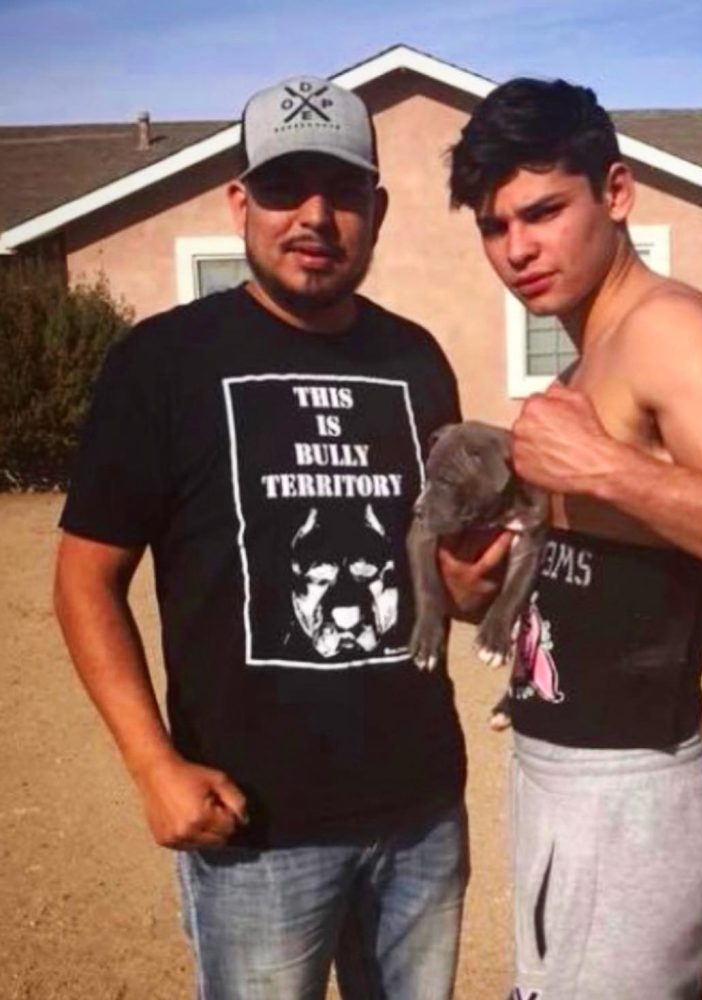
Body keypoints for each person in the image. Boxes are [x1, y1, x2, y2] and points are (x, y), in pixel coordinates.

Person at [53, 75, 501, 1000]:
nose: (313, 216)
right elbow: (84, 581)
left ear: (374, 210)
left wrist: (473, 583)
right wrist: (153, 765)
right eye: (283, 189)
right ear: (238, 203)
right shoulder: (162, 363)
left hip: (419, 809)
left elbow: (441, 577)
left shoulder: (415, 359)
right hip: (253, 824)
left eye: (340, 193)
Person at [448, 78, 702, 999]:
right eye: (493, 225)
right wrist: (485, 584)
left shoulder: (672, 331)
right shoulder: (594, 348)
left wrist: (608, 470)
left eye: (543, 212)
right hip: (562, 782)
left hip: (626, 794)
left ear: (615, 193)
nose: (517, 249)